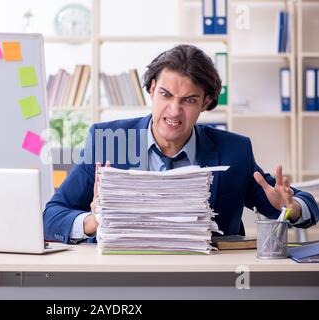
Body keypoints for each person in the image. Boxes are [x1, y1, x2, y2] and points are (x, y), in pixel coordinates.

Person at [43, 44, 319, 244]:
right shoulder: (109, 141)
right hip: (121, 278)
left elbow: (302, 207)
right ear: (151, 89)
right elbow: (51, 218)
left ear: (206, 103)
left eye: (189, 100)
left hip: (205, 283)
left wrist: (291, 206)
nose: (174, 111)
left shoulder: (234, 151)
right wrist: (95, 222)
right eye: (166, 94)